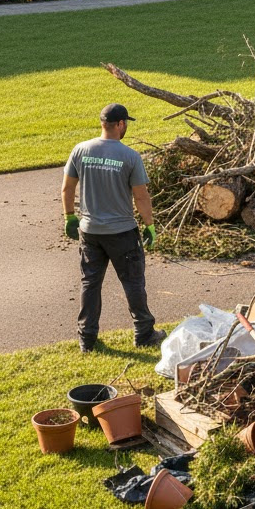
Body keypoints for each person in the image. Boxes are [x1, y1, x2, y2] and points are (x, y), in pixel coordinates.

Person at [62, 103, 163, 352]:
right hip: (122, 233)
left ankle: (87, 339)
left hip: (90, 231)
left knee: (90, 283)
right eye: (125, 123)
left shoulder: (80, 150)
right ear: (120, 125)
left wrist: (69, 217)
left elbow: (67, 188)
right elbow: (141, 196)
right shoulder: (130, 156)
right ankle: (144, 333)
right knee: (133, 282)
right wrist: (150, 226)